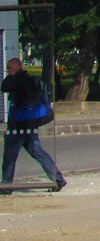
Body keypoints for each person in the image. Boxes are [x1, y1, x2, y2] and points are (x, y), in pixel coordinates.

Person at [2, 58, 66, 194]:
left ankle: (5, 187)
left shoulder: (18, 79)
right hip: (29, 124)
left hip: (18, 126)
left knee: (9, 157)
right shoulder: (29, 79)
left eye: (10, 67)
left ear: (19, 66)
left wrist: (12, 76)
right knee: (38, 152)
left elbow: (4, 86)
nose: (9, 70)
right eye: (8, 68)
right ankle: (58, 179)